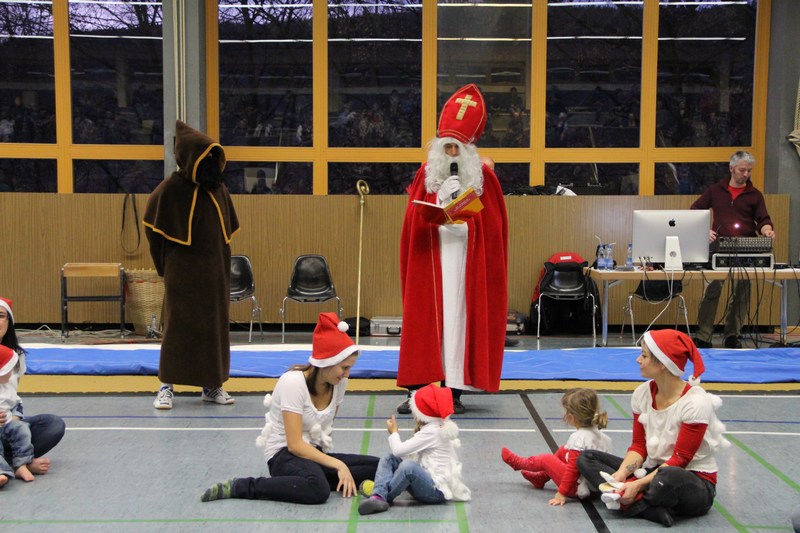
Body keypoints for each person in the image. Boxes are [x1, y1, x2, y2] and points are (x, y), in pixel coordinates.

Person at [397, 84, 508, 415]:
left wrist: (467, 217)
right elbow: (413, 221)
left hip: (465, 264)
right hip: (431, 259)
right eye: (446, 147)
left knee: (459, 326)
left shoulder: (484, 179)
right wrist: (439, 200)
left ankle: (453, 392)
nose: (451, 154)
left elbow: (493, 230)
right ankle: (418, 392)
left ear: (468, 149)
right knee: (424, 324)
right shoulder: (426, 175)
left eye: (456, 148)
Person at [201, 313, 379, 505]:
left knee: (380, 467)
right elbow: (294, 445)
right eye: (344, 368)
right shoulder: (293, 382)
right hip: (283, 454)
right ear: (327, 361)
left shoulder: (339, 383)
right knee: (317, 489)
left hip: (312, 453)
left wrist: (330, 464)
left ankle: (314, 479)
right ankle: (243, 486)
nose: (347, 374)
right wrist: (338, 465)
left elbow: (323, 432)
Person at [577, 329, 728, 527]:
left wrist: (636, 484)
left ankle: (629, 502)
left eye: (644, 356)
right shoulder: (642, 393)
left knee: (667, 479)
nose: (638, 360)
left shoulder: (696, 402)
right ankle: (643, 506)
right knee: (586, 458)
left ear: (663, 363)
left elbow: (680, 460)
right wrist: (621, 473)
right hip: (655, 470)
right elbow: (639, 446)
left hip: (691, 479)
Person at [143, 121, 240, 409]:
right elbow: (153, 230)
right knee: (177, 329)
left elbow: (226, 234)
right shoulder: (170, 189)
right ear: (190, 158)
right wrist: (165, 267)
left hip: (215, 275)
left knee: (214, 330)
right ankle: (166, 386)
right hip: (182, 274)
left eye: (213, 157)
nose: (211, 164)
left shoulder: (218, 189)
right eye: (205, 157)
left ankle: (212, 385)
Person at [691, 150, 775, 349]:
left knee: (742, 294)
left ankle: (732, 335)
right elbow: (694, 212)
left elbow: (763, 219)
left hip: (747, 250)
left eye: (749, 171)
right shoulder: (715, 190)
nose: (746, 174)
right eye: (742, 170)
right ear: (731, 168)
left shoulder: (755, 195)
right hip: (718, 249)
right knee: (712, 291)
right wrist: (704, 230)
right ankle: (703, 336)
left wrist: (767, 230)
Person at [358, 383, 470, 515]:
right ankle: (378, 493)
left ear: (421, 414)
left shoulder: (432, 432)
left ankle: (381, 497)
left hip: (436, 492)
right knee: (389, 458)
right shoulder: (434, 427)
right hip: (426, 478)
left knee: (408, 467)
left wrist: (394, 432)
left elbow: (398, 450)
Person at [500, 388, 612, 506]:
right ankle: (541, 478)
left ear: (571, 417)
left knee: (546, 459)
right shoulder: (604, 438)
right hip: (596, 489)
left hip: (578, 488)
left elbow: (572, 470)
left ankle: (519, 463)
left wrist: (561, 493)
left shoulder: (579, 438)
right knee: (564, 450)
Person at [0, 297, 66, 484]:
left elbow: (12, 397)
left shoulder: (17, 356)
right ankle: (16, 465)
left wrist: (14, 420)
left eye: (1, 316)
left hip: (5, 424)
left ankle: (14, 462)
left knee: (53, 424)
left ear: (9, 321)